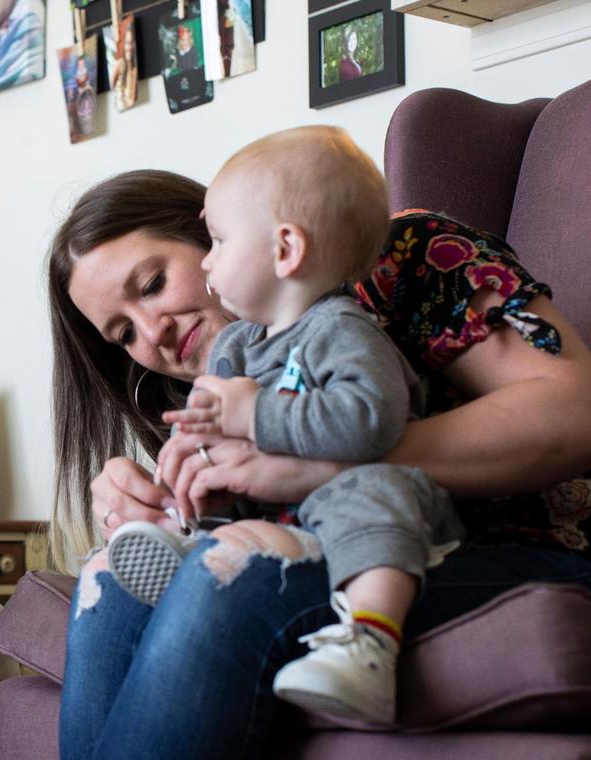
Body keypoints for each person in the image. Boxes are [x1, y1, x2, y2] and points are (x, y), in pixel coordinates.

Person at [46, 168, 591, 759]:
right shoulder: (223, 369)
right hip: (349, 553)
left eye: (153, 283)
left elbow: (573, 411)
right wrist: (157, 508)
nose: (153, 333)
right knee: (108, 577)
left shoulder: (398, 255)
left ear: (210, 235)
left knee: (236, 569)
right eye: (123, 333)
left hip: (522, 545)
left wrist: (311, 463)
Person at [104, 126, 464, 725]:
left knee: (375, 491)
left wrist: (254, 414)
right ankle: (180, 533)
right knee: (204, 503)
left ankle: (369, 642)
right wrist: (190, 460)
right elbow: (223, 437)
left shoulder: (341, 329)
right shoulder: (239, 348)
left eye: (217, 240)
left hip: (363, 501)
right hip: (282, 519)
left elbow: (370, 422)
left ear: (285, 250)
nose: (210, 257)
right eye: (122, 333)